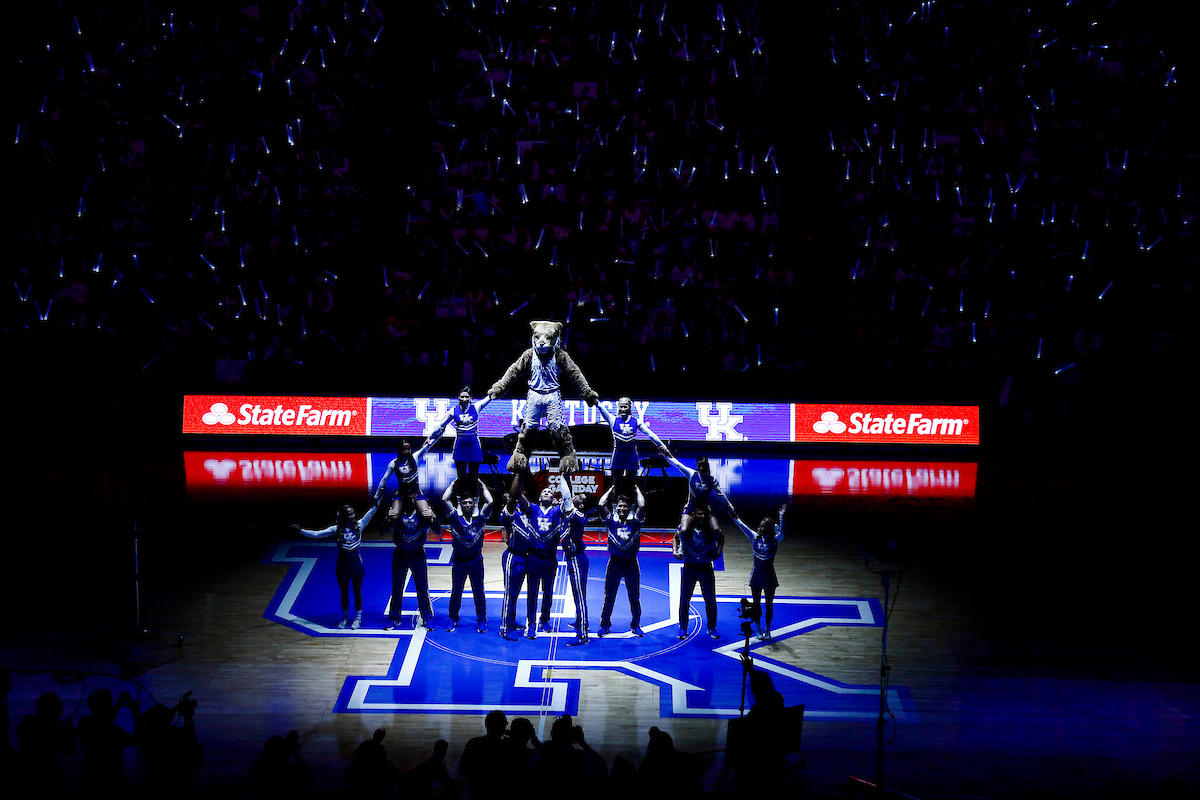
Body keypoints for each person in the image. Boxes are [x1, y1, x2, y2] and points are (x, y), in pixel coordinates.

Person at [292, 499, 381, 629]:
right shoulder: (336, 529)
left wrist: (379, 497)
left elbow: (372, 511)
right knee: (344, 592)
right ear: (343, 516)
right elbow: (317, 534)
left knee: (357, 591)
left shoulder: (359, 525)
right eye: (349, 514)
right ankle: (345, 618)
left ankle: (358, 618)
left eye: (353, 513)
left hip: (356, 565)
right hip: (343, 565)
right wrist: (301, 531)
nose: (352, 516)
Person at [509, 472, 562, 639]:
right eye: (544, 491)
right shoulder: (532, 509)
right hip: (534, 557)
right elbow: (517, 494)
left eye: (550, 492)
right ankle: (531, 623)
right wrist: (519, 473)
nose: (546, 493)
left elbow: (568, 501)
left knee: (548, 591)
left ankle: (545, 619)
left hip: (550, 557)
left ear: (554, 499)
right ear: (539, 497)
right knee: (532, 592)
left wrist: (566, 476)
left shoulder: (557, 511)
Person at [441, 479, 494, 632]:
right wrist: (452, 485)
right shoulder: (454, 518)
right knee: (456, 591)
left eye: (470, 502)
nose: (468, 505)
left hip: (476, 560)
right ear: (461, 504)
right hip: (459, 561)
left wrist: (483, 486)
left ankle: (482, 619)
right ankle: (453, 618)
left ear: (474, 503)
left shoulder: (480, 518)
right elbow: (444, 500)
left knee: (479, 591)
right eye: (465, 503)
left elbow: (490, 502)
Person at [381, 492, 437, 631]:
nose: (411, 501)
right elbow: (382, 531)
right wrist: (387, 518)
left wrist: (433, 517)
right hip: (400, 555)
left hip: (418, 555)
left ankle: (427, 617)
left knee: (422, 587)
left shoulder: (422, 515)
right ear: (402, 499)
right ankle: (394, 617)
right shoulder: (397, 515)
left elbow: (437, 530)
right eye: (407, 498)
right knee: (397, 587)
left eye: (413, 498)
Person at [596, 484, 647, 637]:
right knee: (609, 597)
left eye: (625, 506)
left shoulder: (635, 522)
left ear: (629, 507)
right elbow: (601, 504)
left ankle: (636, 625)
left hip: (631, 564)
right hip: (615, 564)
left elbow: (642, 505)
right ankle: (605, 625)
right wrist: (611, 489)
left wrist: (637, 489)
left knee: (634, 597)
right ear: (616, 507)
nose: (622, 509)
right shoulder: (610, 521)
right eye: (620, 506)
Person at [731, 505, 787, 640]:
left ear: (769, 528)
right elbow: (742, 525)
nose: (761, 529)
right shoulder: (754, 537)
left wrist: (781, 517)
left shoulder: (775, 540)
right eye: (760, 526)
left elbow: (782, 532)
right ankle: (758, 629)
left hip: (769, 575)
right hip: (756, 575)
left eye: (764, 527)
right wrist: (732, 514)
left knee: (769, 605)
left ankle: (767, 629)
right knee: (756, 604)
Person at [430, 387, 493, 503]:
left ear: (471, 398)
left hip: (474, 446)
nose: (464, 399)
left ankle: (475, 502)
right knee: (461, 477)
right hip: (460, 446)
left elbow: (490, 397)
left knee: (474, 477)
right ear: (458, 397)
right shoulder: (453, 411)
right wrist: (430, 437)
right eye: (462, 396)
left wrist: (500, 387)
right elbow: (441, 425)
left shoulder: (477, 407)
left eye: (466, 397)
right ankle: (460, 502)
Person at [595, 397, 666, 497]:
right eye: (621, 407)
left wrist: (662, 446)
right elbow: (600, 407)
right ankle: (615, 505)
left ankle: (632, 505)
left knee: (631, 485)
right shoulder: (613, 419)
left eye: (625, 406)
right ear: (618, 407)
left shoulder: (636, 421)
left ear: (630, 407)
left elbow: (651, 434)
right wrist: (593, 398)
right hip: (618, 455)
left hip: (631, 455)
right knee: (616, 484)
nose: (623, 409)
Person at [673, 506, 724, 639]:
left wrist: (718, 552)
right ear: (694, 514)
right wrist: (675, 550)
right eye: (700, 514)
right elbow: (676, 537)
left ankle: (712, 627)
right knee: (685, 599)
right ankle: (683, 627)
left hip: (705, 568)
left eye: (704, 514)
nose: (702, 516)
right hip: (690, 567)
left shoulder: (710, 528)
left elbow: (721, 537)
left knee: (710, 599)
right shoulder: (687, 527)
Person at [658, 447, 735, 534]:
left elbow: (721, 495)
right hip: (690, 509)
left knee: (716, 530)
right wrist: (667, 454)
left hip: (705, 511)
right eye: (700, 465)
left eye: (703, 466)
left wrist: (730, 508)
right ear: (697, 465)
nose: (702, 468)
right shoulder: (691, 474)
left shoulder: (711, 480)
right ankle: (679, 540)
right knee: (683, 530)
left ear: (707, 466)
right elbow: (678, 464)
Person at [77, 688, 140, 790]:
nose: (110, 707)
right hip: (114, 782)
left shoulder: (84, 723)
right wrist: (136, 714)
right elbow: (138, 739)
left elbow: (103, 724)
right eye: (108, 704)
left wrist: (118, 705)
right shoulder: (114, 732)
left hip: (91, 781)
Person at [557, 474, 592, 646]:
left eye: (579, 497)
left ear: (582, 505)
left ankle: (583, 634)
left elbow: (566, 496)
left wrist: (562, 476)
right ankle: (580, 621)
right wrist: (566, 476)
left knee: (579, 598)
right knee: (578, 595)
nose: (575, 497)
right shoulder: (573, 514)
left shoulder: (577, 515)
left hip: (577, 560)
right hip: (573, 559)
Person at [375, 436, 441, 522]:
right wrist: (376, 496)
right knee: (393, 517)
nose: (406, 451)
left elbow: (429, 445)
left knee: (428, 516)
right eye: (404, 449)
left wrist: (439, 433)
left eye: (408, 449)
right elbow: (384, 480)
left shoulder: (415, 457)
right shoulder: (393, 464)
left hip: (416, 493)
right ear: (400, 450)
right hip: (401, 495)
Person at [499, 491, 532, 641]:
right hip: (512, 556)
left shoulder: (526, 513)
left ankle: (511, 621)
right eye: (507, 499)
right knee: (509, 593)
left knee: (516, 592)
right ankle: (504, 627)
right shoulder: (508, 515)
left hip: (525, 557)